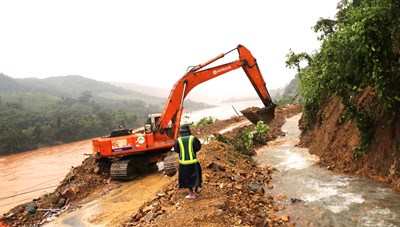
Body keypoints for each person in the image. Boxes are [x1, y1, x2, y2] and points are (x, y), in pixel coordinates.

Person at [173, 124, 202, 199]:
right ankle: (196, 192)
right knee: (196, 177)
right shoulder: (193, 138)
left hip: (183, 163)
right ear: (188, 131)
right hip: (193, 162)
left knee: (187, 179)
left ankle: (191, 193)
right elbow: (198, 147)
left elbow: (176, 150)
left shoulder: (178, 140)